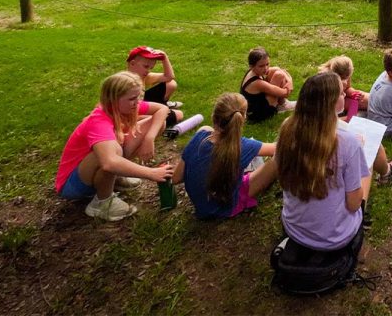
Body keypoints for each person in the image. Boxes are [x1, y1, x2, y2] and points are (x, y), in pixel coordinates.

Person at [55, 71, 174, 221]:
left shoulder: (125, 106)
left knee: (156, 123)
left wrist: (149, 138)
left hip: (94, 169)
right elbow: (109, 162)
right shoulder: (98, 121)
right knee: (113, 152)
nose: (137, 102)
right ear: (113, 99)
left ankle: (114, 179)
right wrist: (152, 173)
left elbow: (162, 109)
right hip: (73, 185)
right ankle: (102, 203)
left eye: (139, 97)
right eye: (132, 98)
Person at [277, 72, 371, 254]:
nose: (345, 94)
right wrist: (358, 152)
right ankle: (386, 175)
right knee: (367, 165)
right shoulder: (347, 142)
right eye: (341, 93)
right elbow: (353, 204)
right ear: (331, 103)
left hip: (293, 228)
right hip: (335, 238)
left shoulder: (287, 129)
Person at [171, 93, 277, 219]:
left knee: (205, 129)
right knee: (279, 159)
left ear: (213, 116)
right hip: (226, 207)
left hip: (202, 206)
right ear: (242, 120)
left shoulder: (200, 136)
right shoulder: (243, 146)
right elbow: (278, 148)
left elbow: (176, 178)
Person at [126, 45, 184, 126]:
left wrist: (164, 57)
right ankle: (160, 111)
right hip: (132, 114)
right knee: (179, 114)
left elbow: (169, 77)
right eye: (146, 66)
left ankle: (162, 107)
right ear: (132, 63)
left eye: (151, 68)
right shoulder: (125, 83)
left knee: (171, 84)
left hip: (141, 105)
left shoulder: (144, 76)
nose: (148, 71)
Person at [239, 47, 295, 122]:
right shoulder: (257, 83)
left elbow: (281, 70)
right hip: (256, 115)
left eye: (267, 64)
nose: (265, 68)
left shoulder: (254, 71)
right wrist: (290, 82)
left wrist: (286, 78)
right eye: (261, 66)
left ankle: (281, 103)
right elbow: (285, 93)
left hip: (254, 106)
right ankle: (282, 105)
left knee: (276, 69)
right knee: (279, 75)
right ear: (251, 66)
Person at [320, 55, 366, 122]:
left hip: (337, 99)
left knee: (364, 101)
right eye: (343, 78)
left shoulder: (344, 74)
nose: (346, 80)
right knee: (351, 118)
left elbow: (347, 88)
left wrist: (353, 93)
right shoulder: (326, 82)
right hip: (327, 104)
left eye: (347, 77)